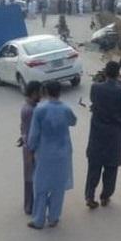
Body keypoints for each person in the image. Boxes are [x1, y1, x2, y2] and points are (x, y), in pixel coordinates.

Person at [85, 61, 121, 209]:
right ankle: (105, 196)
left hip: (97, 134)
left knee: (94, 167)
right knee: (111, 169)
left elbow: (94, 103)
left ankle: (89, 196)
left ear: (105, 73)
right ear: (119, 74)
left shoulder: (95, 88)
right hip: (114, 136)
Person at [27, 81, 77, 229]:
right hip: (63, 153)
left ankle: (38, 219)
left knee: (41, 187)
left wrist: (30, 149)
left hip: (45, 154)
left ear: (46, 92)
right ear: (59, 92)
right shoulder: (66, 109)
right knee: (58, 187)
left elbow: (34, 135)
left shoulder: (40, 110)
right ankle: (54, 217)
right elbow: (73, 122)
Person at [18, 81, 42, 215]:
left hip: (27, 145)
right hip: (31, 149)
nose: (41, 96)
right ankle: (31, 206)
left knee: (29, 176)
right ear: (34, 93)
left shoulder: (26, 106)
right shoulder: (32, 110)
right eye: (39, 93)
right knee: (32, 178)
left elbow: (23, 128)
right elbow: (33, 132)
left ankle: (29, 205)